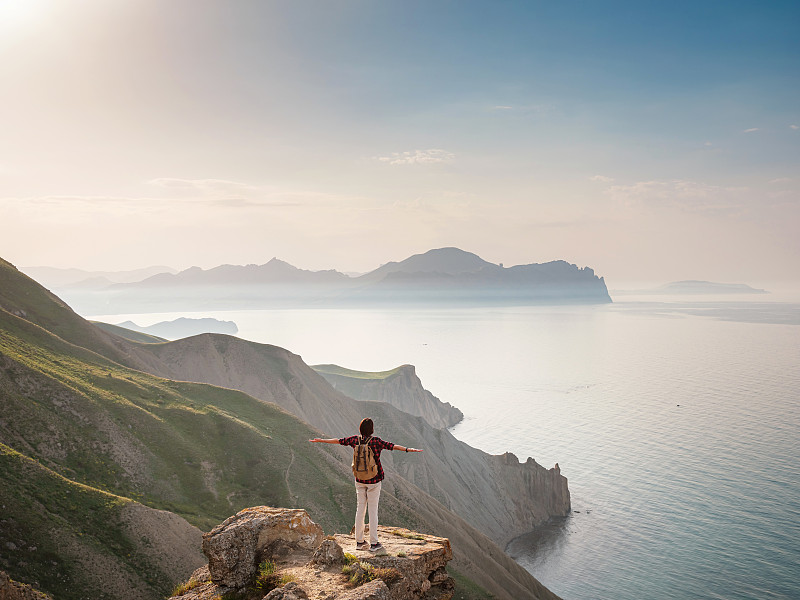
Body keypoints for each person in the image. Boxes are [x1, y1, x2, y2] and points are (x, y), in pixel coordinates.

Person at [309, 417, 422, 553]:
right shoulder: (376, 442)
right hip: (374, 480)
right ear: (372, 429)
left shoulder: (354, 440)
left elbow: (339, 441)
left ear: (360, 428)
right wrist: (409, 450)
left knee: (360, 509)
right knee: (373, 511)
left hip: (359, 479)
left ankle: (359, 541)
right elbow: (392, 446)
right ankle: (374, 543)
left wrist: (321, 440)